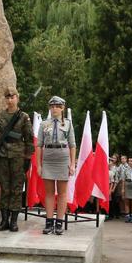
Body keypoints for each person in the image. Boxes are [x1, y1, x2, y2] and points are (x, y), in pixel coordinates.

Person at [0, 87, 34, 232]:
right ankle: (4, 220)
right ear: (5, 99)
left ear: (18, 98)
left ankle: (14, 221)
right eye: (7, 97)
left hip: (18, 157)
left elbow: (29, 139)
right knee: (4, 188)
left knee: (16, 188)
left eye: (13, 97)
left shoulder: (24, 117)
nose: (10, 100)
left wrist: (28, 158)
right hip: (3, 156)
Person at [36, 96, 76, 235]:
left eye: (57, 106)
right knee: (49, 193)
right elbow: (39, 145)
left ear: (62, 108)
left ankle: (59, 222)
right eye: (52, 106)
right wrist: (39, 165)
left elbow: (72, 145)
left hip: (63, 158)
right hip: (48, 158)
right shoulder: (43, 124)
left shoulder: (68, 124)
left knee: (62, 193)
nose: (54, 109)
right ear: (49, 108)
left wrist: (72, 164)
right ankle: (48, 222)